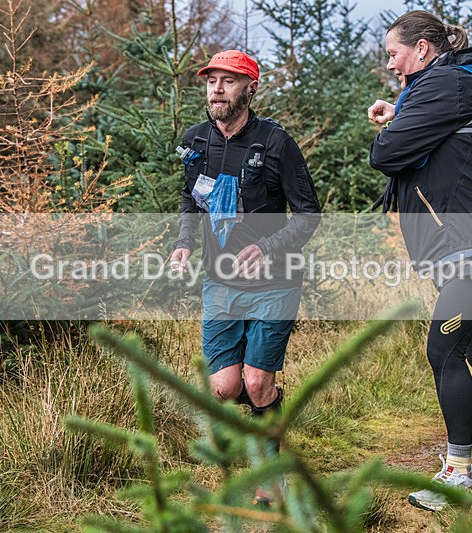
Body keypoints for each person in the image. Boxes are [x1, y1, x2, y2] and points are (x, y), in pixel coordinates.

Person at [367, 11, 472, 511]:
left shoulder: (443, 87)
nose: (390, 64)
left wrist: (396, 126)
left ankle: (457, 471)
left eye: (393, 53)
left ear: (423, 49)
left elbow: (386, 156)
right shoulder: (447, 87)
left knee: (443, 348)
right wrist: (401, 114)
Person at [170, 50, 321, 505]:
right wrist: (183, 242)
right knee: (225, 386)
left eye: (228, 81)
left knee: (256, 381)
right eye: (211, 80)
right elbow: (189, 202)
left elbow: (309, 214)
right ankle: (264, 411)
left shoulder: (275, 143)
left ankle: (269, 475)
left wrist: (268, 246)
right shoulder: (195, 141)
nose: (216, 89)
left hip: (275, 281)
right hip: (220, 280)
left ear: (249, 89)